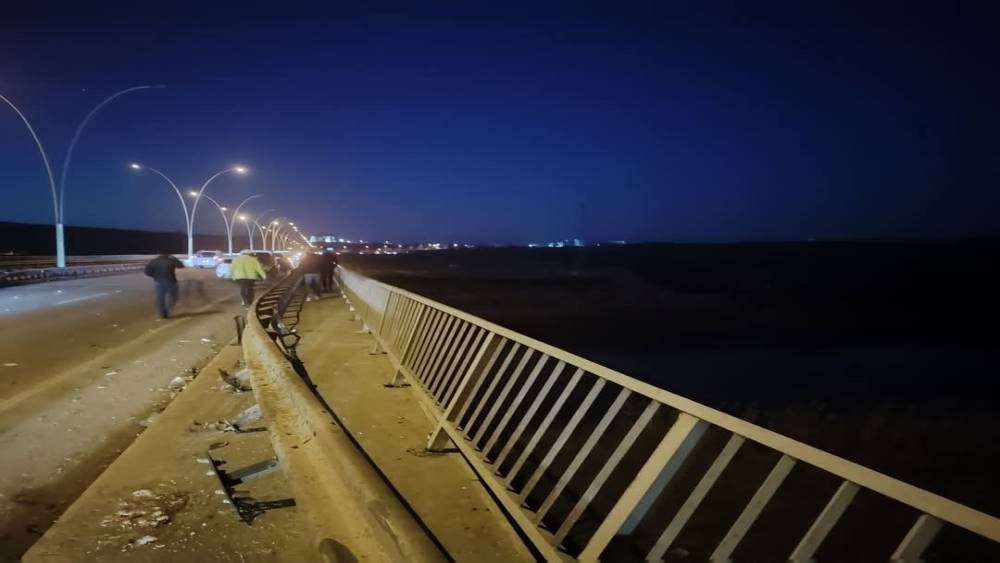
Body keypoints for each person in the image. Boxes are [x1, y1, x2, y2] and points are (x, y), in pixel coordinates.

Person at [144, 252, 184, 318]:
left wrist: (155, 276)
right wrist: (174, 258)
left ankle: (162, 313)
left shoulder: (154, 261)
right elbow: (181, 266)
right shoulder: (171, 260)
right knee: (174, 297)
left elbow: (146, 272)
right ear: (168, 254)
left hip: (159, 282)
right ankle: (167, 310)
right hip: (171, 281)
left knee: (160, 298)